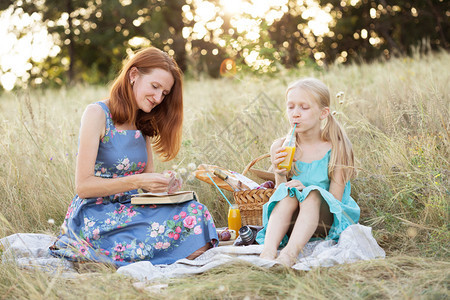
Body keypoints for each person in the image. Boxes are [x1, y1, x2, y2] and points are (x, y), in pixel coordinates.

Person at [49, 47, 218, 267]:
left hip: (132, 208)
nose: (158, 98)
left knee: (197, 213)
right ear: (134, 75)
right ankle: (137, 253)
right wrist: (137, 181)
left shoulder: (143, 121)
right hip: (96, 215)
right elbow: (83, 186)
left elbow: (147, 184)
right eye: (155, 87)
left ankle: (145, 253)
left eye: (164, 93)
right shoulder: (97, 114)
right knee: (179, 234)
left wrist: (164, 183)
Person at [256, 78, 360, 267]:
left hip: (327, 219)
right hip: (295, 221)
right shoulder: (281, 147)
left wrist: (306, 189)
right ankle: (268, 252)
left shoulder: (337, 147)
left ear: (323, 113)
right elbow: (279, 193)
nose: (295, 114)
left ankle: (289, 255)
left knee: (311, 195)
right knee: (287, 195)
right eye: (291, 107)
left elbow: (335, 200)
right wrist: (280, 174)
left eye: (304, 108)